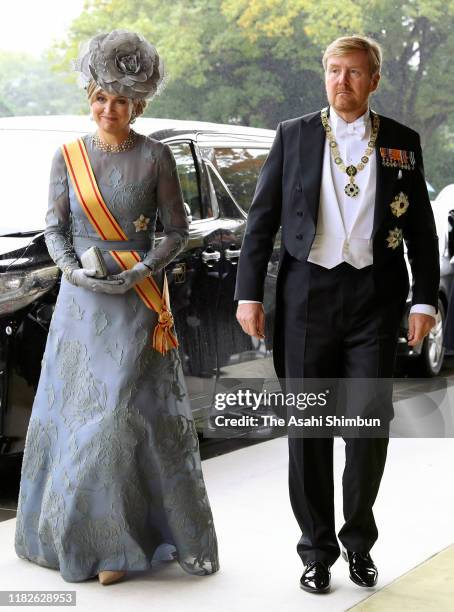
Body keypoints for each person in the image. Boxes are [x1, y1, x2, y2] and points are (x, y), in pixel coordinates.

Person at [235, 35, 439, 594]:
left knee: (368, 427)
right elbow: (261, 220)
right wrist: (248, 294)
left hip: (375, 299)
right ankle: (316, 552)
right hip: (305, 296)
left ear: (374, 79)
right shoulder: (293, 135)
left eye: (353, 72)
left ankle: (358, 543)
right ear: (323, 76)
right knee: (308, 430)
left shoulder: (402, 141)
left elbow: (421, 227)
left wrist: (424, 298)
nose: (342, 81)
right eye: (333, 71)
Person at [14, 29, 219, 585]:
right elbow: (54, 226)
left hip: (137, 307)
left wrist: (140, 270)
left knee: (117, 422)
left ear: (139, 104)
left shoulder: (156, 158)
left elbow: (176, 230)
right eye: (101, 97)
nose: (110, 108)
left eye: (121, 100)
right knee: (78, 420)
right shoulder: (69, 156)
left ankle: (117, 548)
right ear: (90, 97)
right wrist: (72, 269)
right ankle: (78, 538)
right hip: (81, 309)